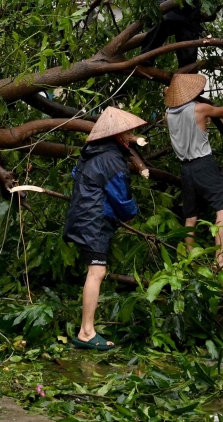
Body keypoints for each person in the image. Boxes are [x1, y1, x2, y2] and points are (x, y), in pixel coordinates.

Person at [64, 106, 146, 351]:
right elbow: (120, 196)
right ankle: (87, 331)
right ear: (118, 136)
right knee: (97, 272)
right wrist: (131, 214)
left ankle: (86, 329)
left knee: (95, 271)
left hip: (83, 215)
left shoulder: (92, 152)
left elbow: (76, 173)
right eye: (129, 133)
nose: (131, 136)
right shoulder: (112, 159)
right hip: (94, 220)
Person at [165, 74, 223, 270]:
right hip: (204, 164)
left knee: (190, 216)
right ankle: (220, 260)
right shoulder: (198, 109)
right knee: (222, 210)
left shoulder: (168, 115)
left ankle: (191, 261)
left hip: (186, 169)